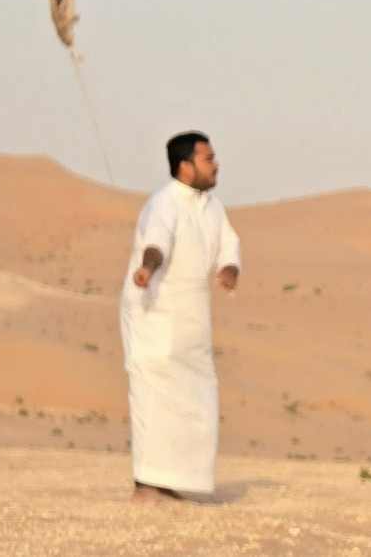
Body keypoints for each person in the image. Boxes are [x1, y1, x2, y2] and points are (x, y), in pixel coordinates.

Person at [119, 130, 240, 503]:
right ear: (185, 167)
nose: (216, 164)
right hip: (155, 316)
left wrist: (229, 269)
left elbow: (229, 245)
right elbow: (157, 242)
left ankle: (167, 481)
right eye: (208, 158)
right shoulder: (164, 203)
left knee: (196, 399)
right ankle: (145, 486)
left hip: (191, 320)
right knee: (154, 395)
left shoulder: (212, 207)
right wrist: (147, 268)